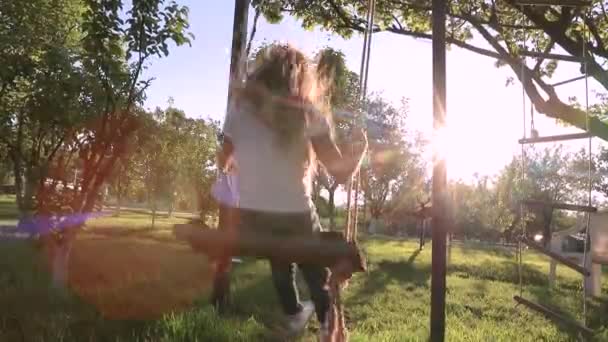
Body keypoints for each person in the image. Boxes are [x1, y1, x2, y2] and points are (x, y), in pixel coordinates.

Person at [217, 43, 368, 338]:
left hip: (253, 215)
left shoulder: (239, 108)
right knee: (308, 256)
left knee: (278, 250)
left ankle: (293, 311)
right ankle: (328, 324)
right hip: (295, 213)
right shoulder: (308, 114)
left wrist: (245, 166)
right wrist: (360, 149)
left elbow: (224, 160)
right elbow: (340, 172)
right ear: (301, 79)